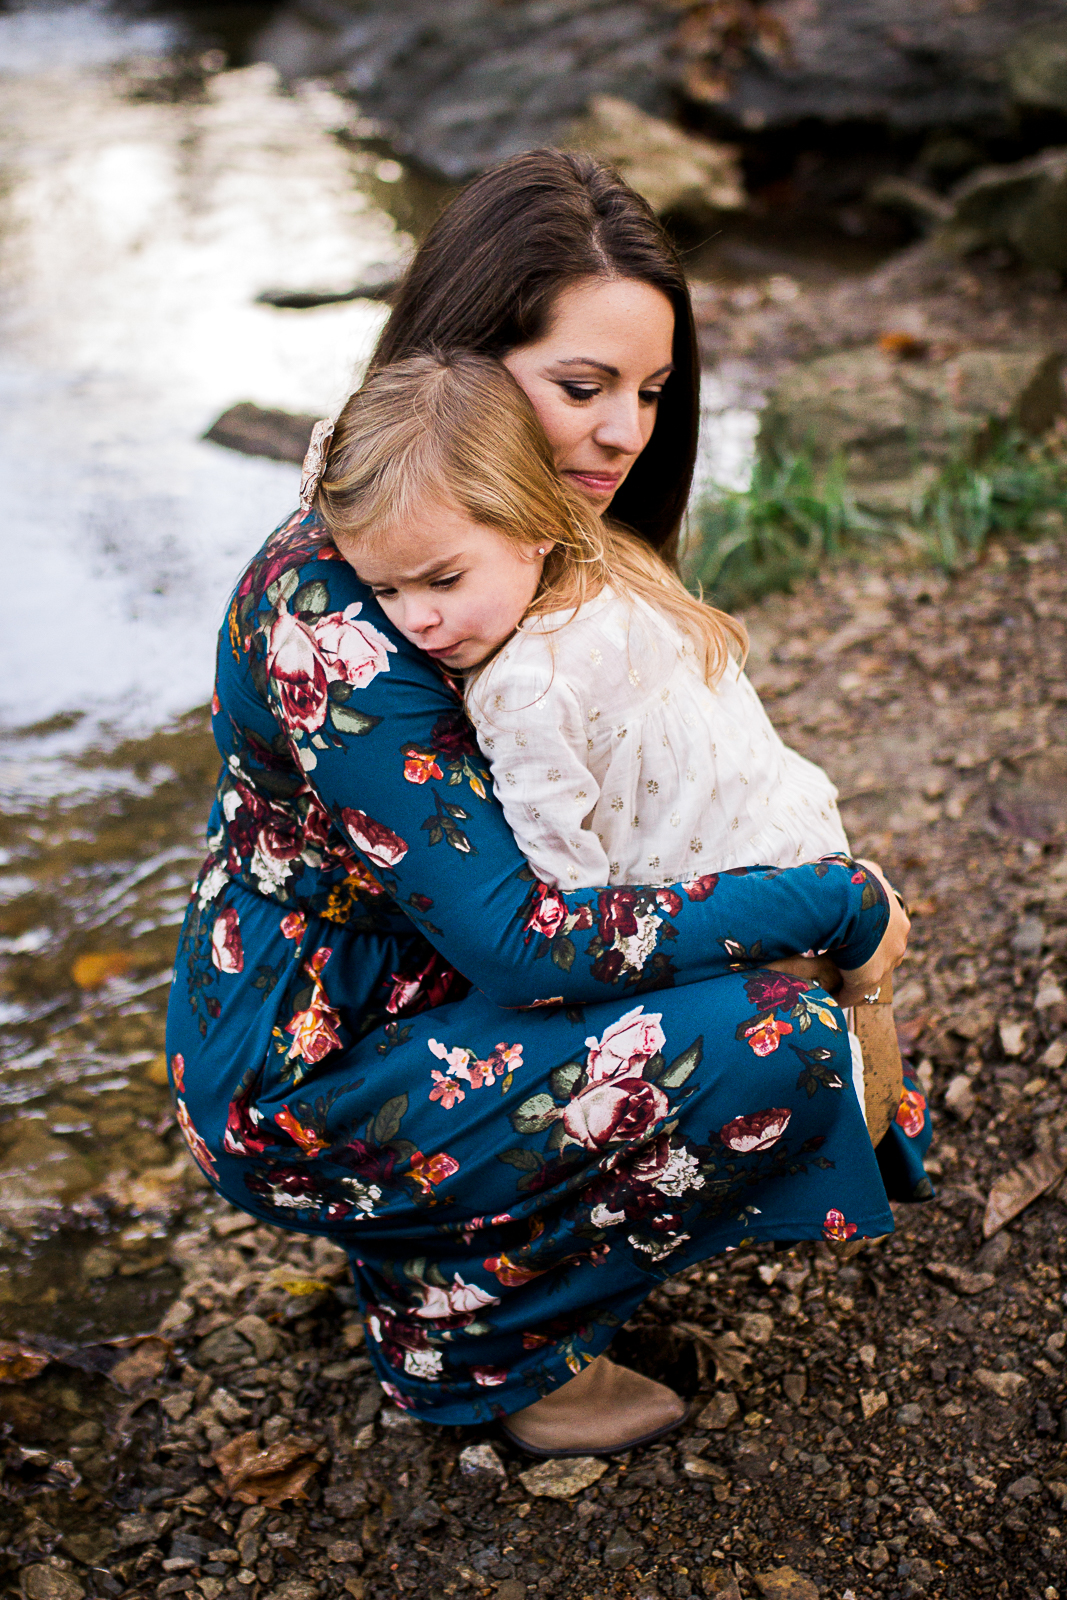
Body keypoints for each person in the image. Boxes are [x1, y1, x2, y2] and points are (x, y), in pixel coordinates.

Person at [166, 149, 925, 1459]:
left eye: (647, 390)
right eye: (583, 386)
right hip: (310, 1071)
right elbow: (520, 940)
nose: (626, 431)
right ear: (457, 363)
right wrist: (832, 905)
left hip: (418, 993)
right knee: (777, 1039)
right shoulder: (337, 616)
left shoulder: (492, 536)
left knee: (746, 981)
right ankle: (467, 1348)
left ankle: (457, 1264)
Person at [311, 349, 876, 1119]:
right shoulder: (615, 569)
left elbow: (566, 907)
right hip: (795, 843)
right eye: (384, 589)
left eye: (442, 580)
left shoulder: (520, 690)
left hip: (733, 930)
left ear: (534, 528)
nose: (415, 620)